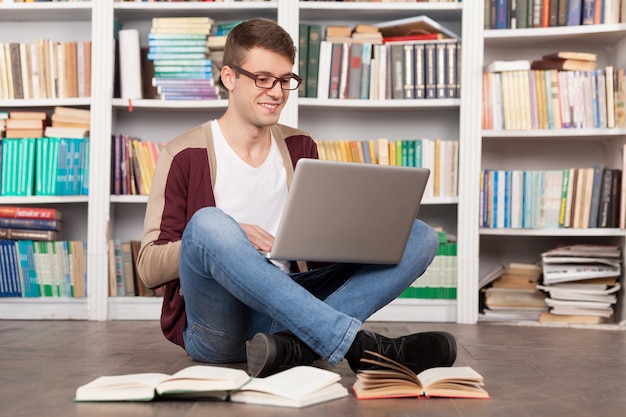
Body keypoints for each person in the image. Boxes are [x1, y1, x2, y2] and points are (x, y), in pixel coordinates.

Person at [137, 18, 456, 378]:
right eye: (263, 79)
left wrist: (349, 236)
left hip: (290, 308)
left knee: (419, 236)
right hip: (219, 325)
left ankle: (296, 346)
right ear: (229, 77)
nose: (276, 92)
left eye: (285, 80)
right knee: (210, 224)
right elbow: (148, 266)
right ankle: (356, 346)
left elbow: (317, 244)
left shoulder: (299, 146)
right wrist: (229, 235)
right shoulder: (184, 154)